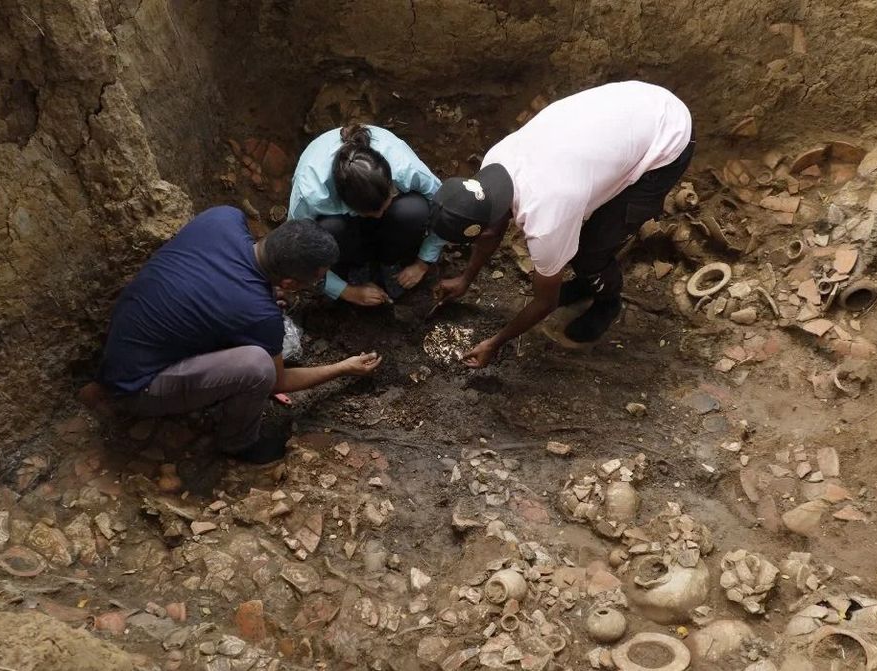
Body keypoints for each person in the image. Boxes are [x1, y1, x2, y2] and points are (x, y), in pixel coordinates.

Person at [79, 206, 382, 461]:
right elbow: (279, 381)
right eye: (314, 281)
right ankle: (238, 442)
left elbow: (215, 284)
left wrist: (260, 294)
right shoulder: (259, 314)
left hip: (124, 342)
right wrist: (343, 368)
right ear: (288, 284)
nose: (315, 285)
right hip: (136, 387)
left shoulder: (223, 217)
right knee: (258, 367)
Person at [429, 81, 695, 367]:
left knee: (591, 253)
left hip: (666, 138)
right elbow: (492, 227)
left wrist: (494, 343)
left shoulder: (545, 220)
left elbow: (545, 302)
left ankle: (607, 302)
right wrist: (465, 279)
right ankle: (587, 283)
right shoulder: (495, 163)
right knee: (584, 232)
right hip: (633, 107)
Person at [289, 124, 448, 306]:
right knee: (330, 229)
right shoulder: (309, 192)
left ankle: (390, 261)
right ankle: (357, 266)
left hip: (393, 219)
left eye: (384, 207)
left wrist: (423, 263)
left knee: (413, 210)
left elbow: (445, 210)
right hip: (343, 227)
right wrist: (346, 291)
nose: (379, 215)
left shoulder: (405, 168)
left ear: (390, 183)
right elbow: (297, 253)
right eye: (372, 213)